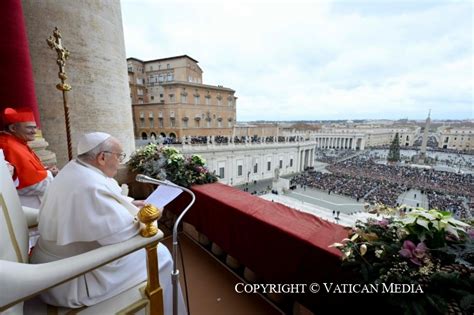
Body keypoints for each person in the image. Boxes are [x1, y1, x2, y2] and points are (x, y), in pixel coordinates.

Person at [30, 132, 186, 314]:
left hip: (53, 263)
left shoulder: (75, 169)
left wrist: (130, 204)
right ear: (102, 157)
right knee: (161, 255)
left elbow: (103, 207)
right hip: (70, 280)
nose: (120, 162)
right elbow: (125, 235)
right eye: (119, 156)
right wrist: (151, 214)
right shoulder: (89, 185)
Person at [0, 107, 58, 208]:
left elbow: (27, 170)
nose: (34, 131)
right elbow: (31, 185)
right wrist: (51, 174)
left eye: (35, 127)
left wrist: (44, 170)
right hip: (27, 205)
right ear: (13, 128)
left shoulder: (17, 141)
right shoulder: (10, 146)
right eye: (29, 127)